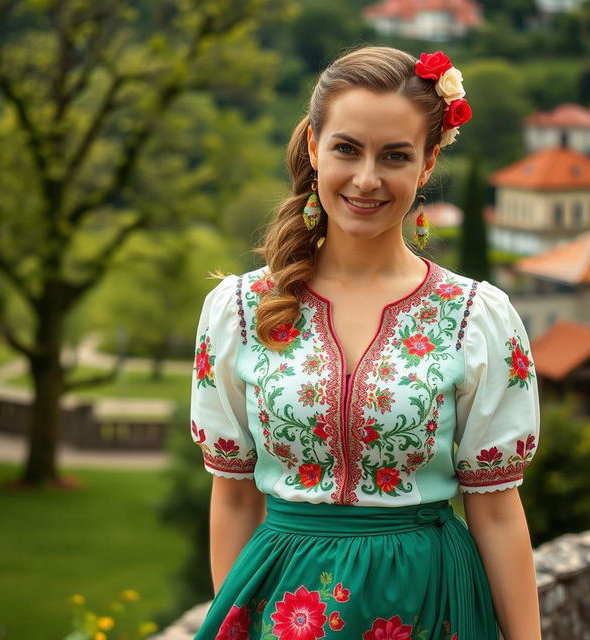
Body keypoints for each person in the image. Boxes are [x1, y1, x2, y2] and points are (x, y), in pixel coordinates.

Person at [190, 46, 542, 640]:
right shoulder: (239, 311)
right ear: (313, 149)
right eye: (347, 149)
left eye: (396, 156)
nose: (367, 178)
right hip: (283, 607)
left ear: (427, 164)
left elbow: (498, 513)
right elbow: (233, 499)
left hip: (432, 603)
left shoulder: (478, 318)